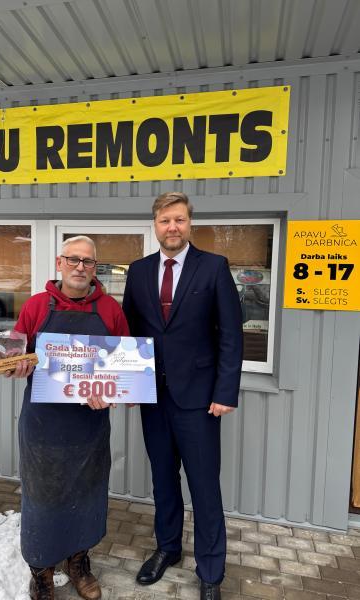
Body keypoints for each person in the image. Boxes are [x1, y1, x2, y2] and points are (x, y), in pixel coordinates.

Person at [122, 192, 243, 600]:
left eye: (179, 219)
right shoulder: (138, 271)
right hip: (153, 397)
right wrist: (128, 383)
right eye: (165, 220)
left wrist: (225, 391)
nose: (172, 227)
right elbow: (130, 333)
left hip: (200, 400)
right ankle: (168, 548)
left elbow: (230, 334)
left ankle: (210, 572)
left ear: (190, 223)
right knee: (163, 479)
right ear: (155, 226)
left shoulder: (214, 267)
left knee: (204, 486)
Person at [9, 235, 129, 600]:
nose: (80, 267)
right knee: (42, 498)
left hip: (89, 427)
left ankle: (78, 563)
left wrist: (113, 391)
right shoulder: (35, 306)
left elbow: (124, 368)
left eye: (88, 261)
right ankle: (41, 571)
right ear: (60, 263)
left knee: (88, 493)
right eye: (73, 259)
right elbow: (14, 354)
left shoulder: (110, 310)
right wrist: (15, 364)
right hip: (43, 426)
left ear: (95, 268)